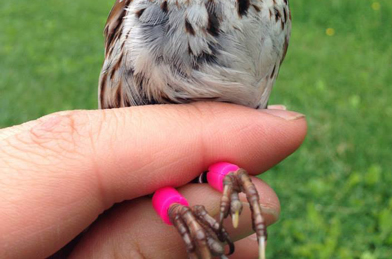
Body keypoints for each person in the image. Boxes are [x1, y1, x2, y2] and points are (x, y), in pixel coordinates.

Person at [0, 102, 306, 258]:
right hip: (147, 167)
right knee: (156, 172)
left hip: (214, 146)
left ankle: (223, 175)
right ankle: (174, 205)